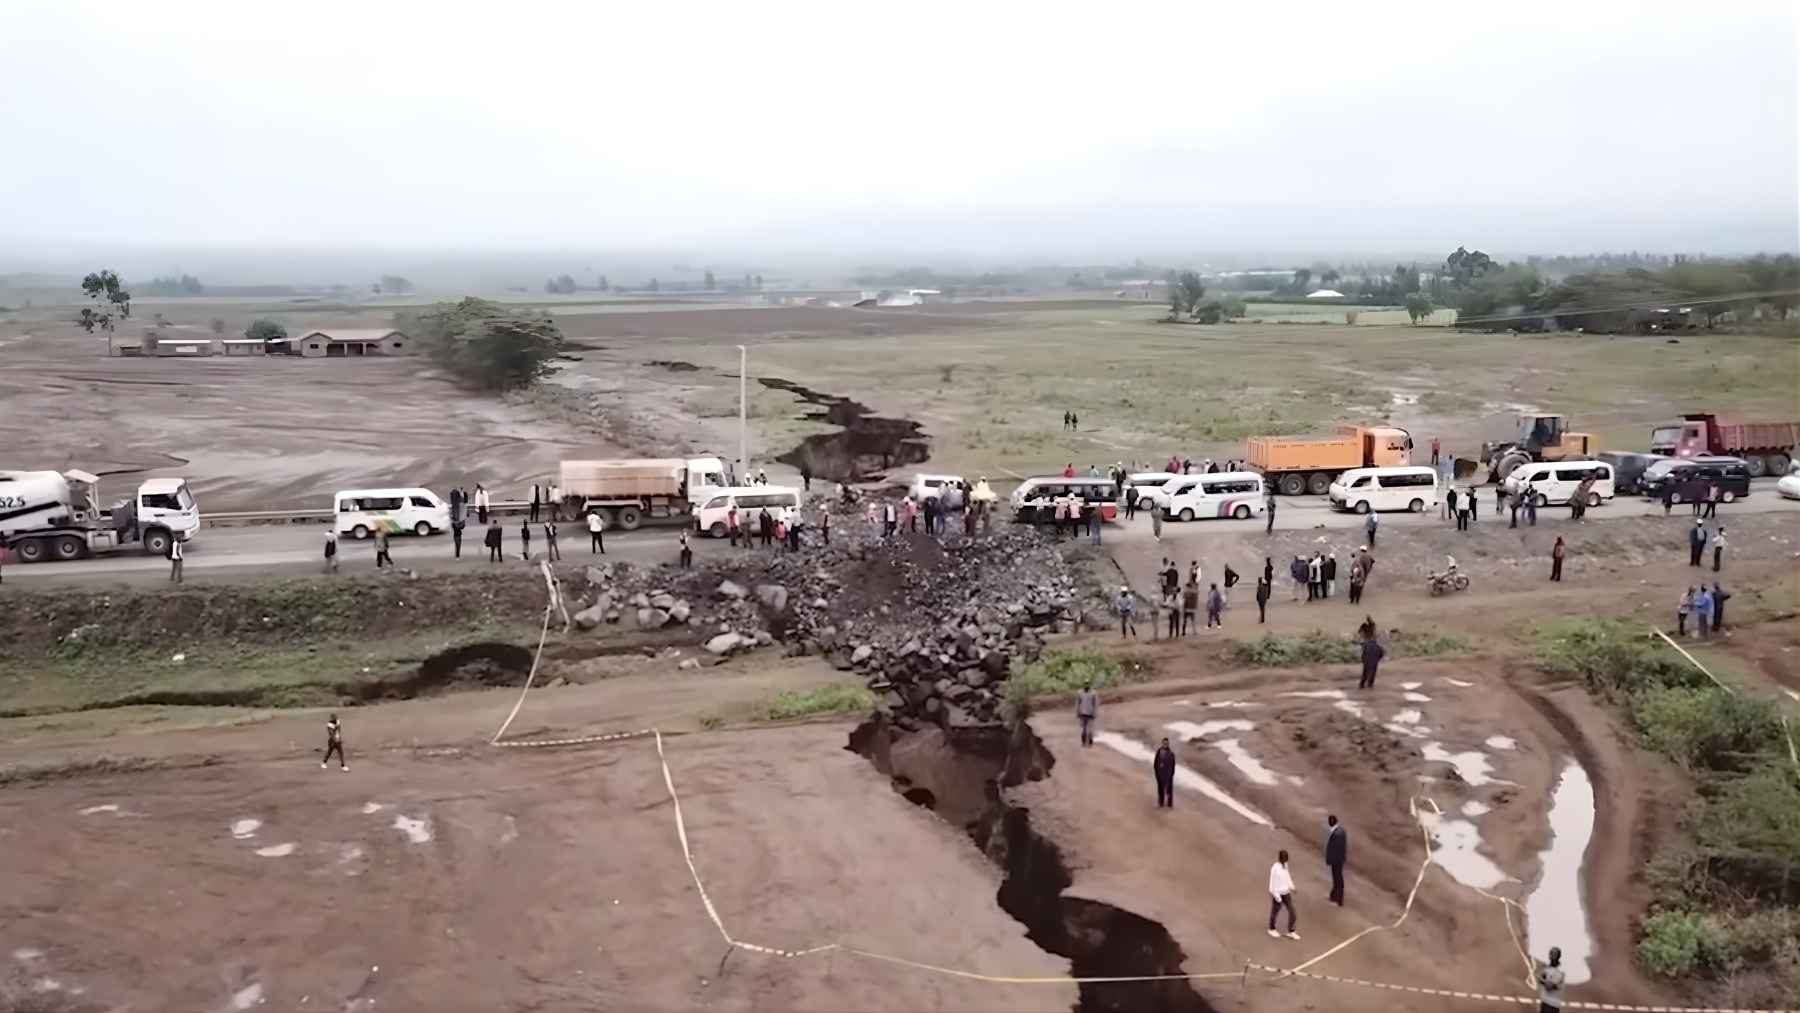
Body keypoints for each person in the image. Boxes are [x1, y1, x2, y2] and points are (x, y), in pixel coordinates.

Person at [1268, 850, 1299, 940]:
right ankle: (1271, 928)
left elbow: (1287, 877)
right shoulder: (1275, 868)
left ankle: (1291, 931)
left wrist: (1292, 887)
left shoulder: (1285, 866)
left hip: (1286, 893)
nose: (1286, 861)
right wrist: (1276, 896)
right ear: (1281, 859)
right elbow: (1272, 883)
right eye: (1285, 859)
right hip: (1278, 893)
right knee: (1275, 912)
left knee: (1293, 912)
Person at [1325, 815, 1348, 906]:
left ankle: (1339, 900)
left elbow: (1335, 849)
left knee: (1338, 880)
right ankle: (1333, 896)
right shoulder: (1340, 831)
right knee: (1337, 879)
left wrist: (1330, 860)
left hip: (1336, 860)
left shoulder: (1336, 834)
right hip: (1339, 860)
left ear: (1331, 823)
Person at [1537, 946, 1566, 1013]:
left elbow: (1549, 986)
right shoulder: (1547, 968)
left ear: (1558, 956)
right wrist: (1542, 978)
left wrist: (1542, 979)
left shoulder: (1560, 971)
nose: (1551, 955)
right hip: (1545, 1002)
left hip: (1552, 1004)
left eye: (1554, 954)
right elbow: (1541, 979)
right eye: (1550, 953)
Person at [1153, 737, 1176, 808]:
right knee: (1160, 789)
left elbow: (1173, 765)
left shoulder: (1171, 754)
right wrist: (1156, 772)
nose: (1165, 744)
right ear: (1162, 743)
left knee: (1169, 789)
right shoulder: (1159, 752)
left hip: (1168, 774)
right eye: (1164, 743)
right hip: (1159, 774)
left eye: (1166, 743)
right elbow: (1155, 763)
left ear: (1168, 744)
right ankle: (1161, 803)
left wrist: (1171, 774)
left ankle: (1170, 804)